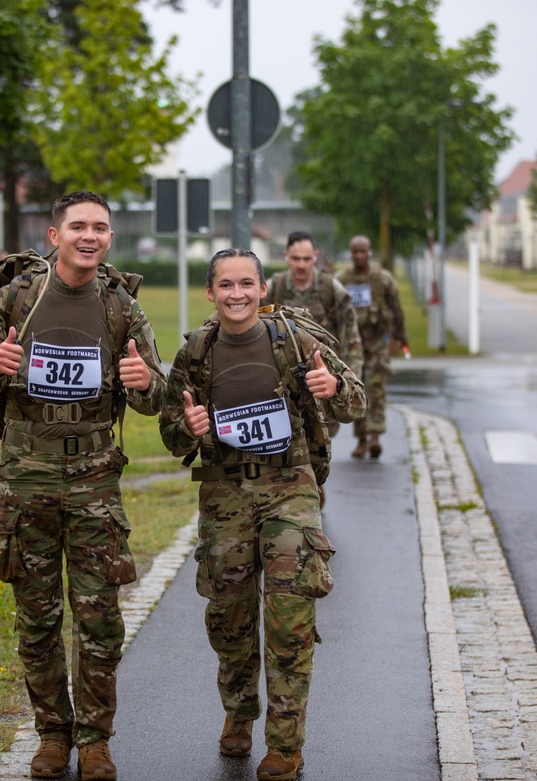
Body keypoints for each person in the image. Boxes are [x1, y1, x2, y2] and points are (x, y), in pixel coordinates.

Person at [0, 191, 167, 781]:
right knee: (37, 618)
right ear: (55, 236)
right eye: (77, 226)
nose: (88, 236)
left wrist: (145, 381)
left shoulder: (121, 305)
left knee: (99, 618)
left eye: (100, 227)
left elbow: (156, 397)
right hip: (27, 480)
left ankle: (95, 741)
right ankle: (52, 736)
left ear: (110, 239)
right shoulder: (16, 298)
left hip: (96, 481)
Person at [159, 249, 366, 781]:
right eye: (225, 285)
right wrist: (190, 427)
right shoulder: (196, 352)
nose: (237, 294)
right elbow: (170, 433)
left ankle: (285, 743)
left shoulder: (296, 341)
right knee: (230, 619)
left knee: (290, 617)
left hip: (289, 491)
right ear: (211, 293)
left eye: (246, 283)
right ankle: (238, 711)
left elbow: (356, 400)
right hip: (224, 495)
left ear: (262, 289)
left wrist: (334, 387)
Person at [337, 234, 409, 459]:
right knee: (355, 391)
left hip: (377, 343)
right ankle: (361, 440)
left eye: (363, 251)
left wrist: (400, 336)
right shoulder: (342, 280)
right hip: (353, 345)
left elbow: (396, 309)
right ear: (351, 253)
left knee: (376, 389)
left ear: (369, 252)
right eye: (355, 252)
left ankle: (375, 436)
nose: (359, 256)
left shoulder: (382, 279)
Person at [262, 231, 364, 380]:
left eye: (307, 259)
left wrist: (350, 382)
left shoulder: (331, 289)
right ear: (286, 255)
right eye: (296, 258)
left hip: (325, 376)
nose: (301, 265)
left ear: (315, 256)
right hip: (285, 378)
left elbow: (352, 340)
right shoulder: (274, 288)